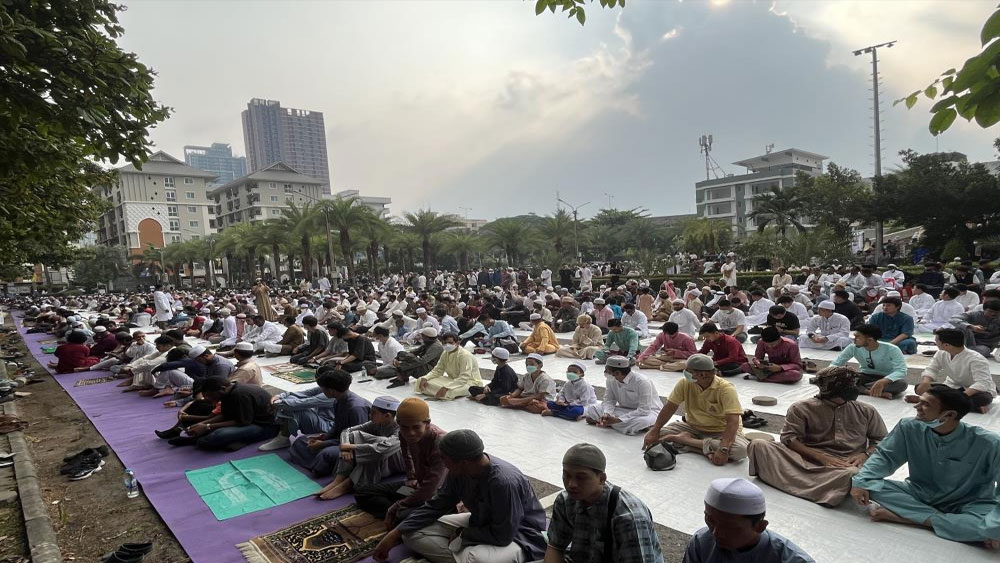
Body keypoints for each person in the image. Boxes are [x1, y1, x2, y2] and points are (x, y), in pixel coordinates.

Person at [851, 385, 1000, 551]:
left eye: (925, 404)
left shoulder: (989, 443)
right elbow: (886, 456)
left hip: (970, 502)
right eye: (919, 402)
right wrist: (861, 482)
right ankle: (945, 523)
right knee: (868, 485)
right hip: (920, 493)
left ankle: (910, 518)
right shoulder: (909, 427)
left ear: (949, 414)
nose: (916, 407)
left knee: (995, 527)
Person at [371, 429, 547, 563]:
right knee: (411, 533)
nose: (442, 462)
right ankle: (460, 556)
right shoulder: (460, 471)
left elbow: (503, 535)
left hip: (519, 534)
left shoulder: (503, 482)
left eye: (444, 458)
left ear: (462, 461)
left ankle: (465, 555)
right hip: (480, 522)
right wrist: (395, 532)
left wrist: (463, 534)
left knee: (474, 559)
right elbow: (436, 505)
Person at [747, 366, 887, 506]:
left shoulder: (866, 410)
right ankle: (824, 489)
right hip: (804, 459)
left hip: (843, 465)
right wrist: (822, 457)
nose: (854, 389)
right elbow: (789, 439)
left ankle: (789, 480)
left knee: (853, 474)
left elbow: (883, 441)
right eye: (849, 386)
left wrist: (865, 454)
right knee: (758, 445)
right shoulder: (801, 408)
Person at [544, 443, 664, 563]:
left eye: (581, 477)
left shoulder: (628, 517)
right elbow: (556, 547)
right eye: (567, 475)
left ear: (602, 479)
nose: (571, 484)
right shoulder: (565, 501)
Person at [642, 354, 749, 465]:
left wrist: (724, 448)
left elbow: (732, 422)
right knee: (659, 435)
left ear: (702, 374)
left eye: (689, 371)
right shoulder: (684, 383)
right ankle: (702, 448)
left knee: (740, 451)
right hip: (692, 427)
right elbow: (670, 407)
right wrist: (655, 430)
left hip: (720, 431)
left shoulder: (726, 389)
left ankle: (685, 441)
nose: (685, 373)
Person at [354, 398, 447, 524]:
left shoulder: (441, 443)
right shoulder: (403, 433)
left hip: (437, 495)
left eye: (416, 427)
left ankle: (400, 513)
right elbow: (407, 456)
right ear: (398, 424)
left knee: (404, 515)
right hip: (417, 487)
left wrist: (398, 505)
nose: (410, 433)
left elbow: (430, 489)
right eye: (405, 427)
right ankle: (401, 512)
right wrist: (411, 477)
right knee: (362, 492)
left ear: (427, 423)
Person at [684, 477, 816, 562]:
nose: (716, 533)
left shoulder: (793, 560)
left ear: (760, 526)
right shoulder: (701, 543)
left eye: (730, 528)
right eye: (710, 521)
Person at [317, 395, 404, 501]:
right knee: (356, 435)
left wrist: (350, 446)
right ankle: (339, 479)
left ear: (387, 416)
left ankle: (347, 485)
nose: (370, 415)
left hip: (398, 462)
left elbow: (382, 450)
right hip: (378, 456)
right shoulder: (377, 423)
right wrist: (345, 448)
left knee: (377, 446)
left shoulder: (402, 428)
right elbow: (347, 431)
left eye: (373, 413)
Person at [288, 368, 372, 476]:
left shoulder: (356, 408)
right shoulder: (338, 401)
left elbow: (356, 439)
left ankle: (321, 466)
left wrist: (323, 444)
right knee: (301, 441)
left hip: (354, 446)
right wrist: (323, 437)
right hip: (339, 440)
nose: (321, 391)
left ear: (331, 390)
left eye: (323, 388)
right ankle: (318, 463)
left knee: (325, 453)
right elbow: (336, 426)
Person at [166, 376, 278, 451]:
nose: (208, 398)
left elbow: (243, 422)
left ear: (222, 389)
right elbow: (224, 415)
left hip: (265, 426)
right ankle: (234, 440)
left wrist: (207, 427)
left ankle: (197, 441)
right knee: (208, 428)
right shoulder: (228, 392)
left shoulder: (240, 395)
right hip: (248, 421)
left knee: (218, 435)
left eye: (209, 395)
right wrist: (202, 424)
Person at [908, 328, 997, 413]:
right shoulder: (941, 353)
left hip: (973, 391)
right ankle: (962, 405)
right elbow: (932, 368)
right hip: (953, 387)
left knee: (983, 399)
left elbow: (982, 383)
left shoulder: (976, 359)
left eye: (937, 341)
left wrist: (960, 397)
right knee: (919, 387)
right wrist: (926, 383)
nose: (935, 343)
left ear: (946, 345)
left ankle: (930, 401)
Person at [583, 356, 662, 435]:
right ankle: (616, 425)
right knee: (592, 409)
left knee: (642, 421)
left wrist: (618, 419)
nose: (605, 372)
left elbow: (644, 410)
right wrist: (607, 414)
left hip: (648, 412)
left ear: (617, 373)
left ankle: (608, 423)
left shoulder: (642, 382)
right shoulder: (611, 380)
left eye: (607, 370)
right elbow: (609, 400)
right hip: (624, 410)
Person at [830, 324, 908, 399]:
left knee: (902, 384)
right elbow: (837, 363)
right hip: (864, 376)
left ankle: (861, 389)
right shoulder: (852, 347)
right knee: (840, 379)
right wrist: (827, 372)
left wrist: (883, 381)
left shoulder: (892, 349)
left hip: (887, 378)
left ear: (870, 340)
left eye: (857, 337)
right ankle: (871, 392)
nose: (854, 339)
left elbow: (901, 370)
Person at [258, 382, 338, 451]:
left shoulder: (331, 395)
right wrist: (280, 396)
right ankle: (282, 433)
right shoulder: (325, 388)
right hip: (321, 419)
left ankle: (284, 437)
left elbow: (303, 403)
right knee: (289, 399)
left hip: (329, 427)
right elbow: (302, 393)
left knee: (293, 408)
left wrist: (276, 403)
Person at [416, 332, 483, 400]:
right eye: (444, 343)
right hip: (453, 379)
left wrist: (447, 387)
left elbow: (464, 377)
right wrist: (426, 378)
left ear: (457, 343)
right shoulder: (445, 353)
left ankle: (440, 392)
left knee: (450, 391)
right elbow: (438, 370)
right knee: (420, 380)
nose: (447, 345)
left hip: (469, 383)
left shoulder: (465, 355)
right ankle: (439, 392)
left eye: (450, 343)